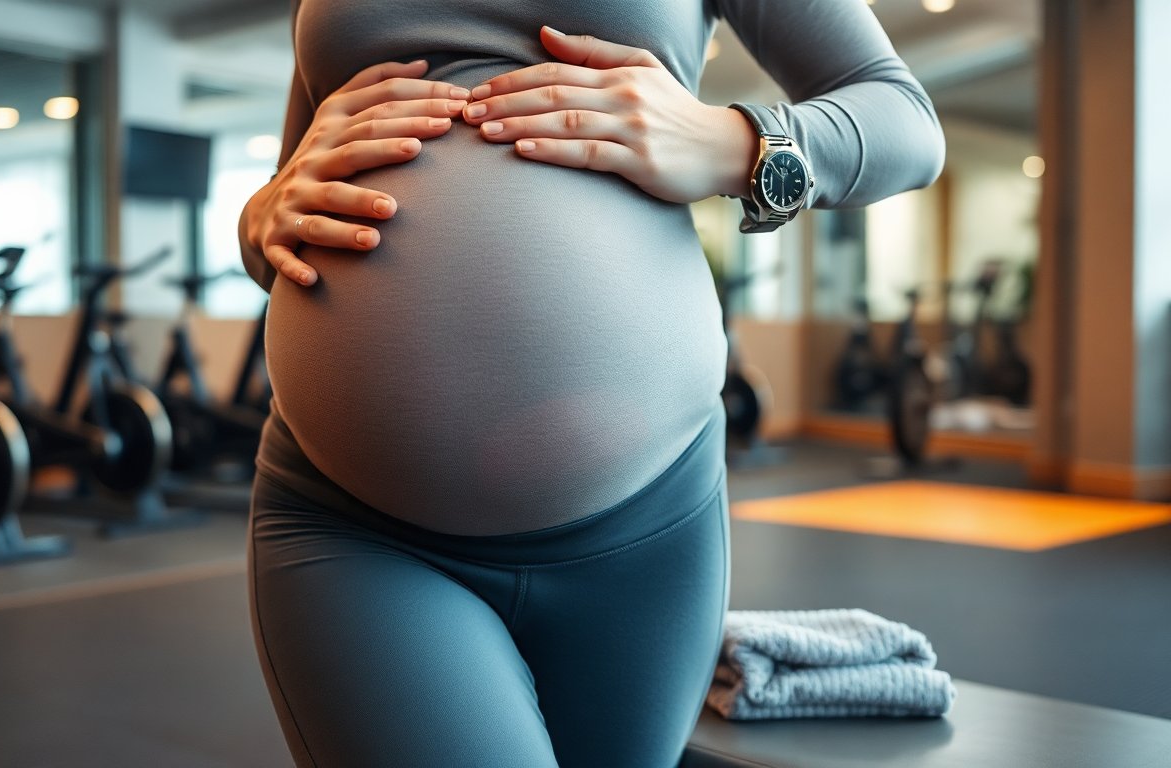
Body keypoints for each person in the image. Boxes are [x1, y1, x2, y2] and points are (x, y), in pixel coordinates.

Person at [238, 0, 943, 765]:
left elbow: (904, 118)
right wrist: (259, 214)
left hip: (648, 527)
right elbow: (297, 189)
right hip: (356, 527)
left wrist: (735, 142)